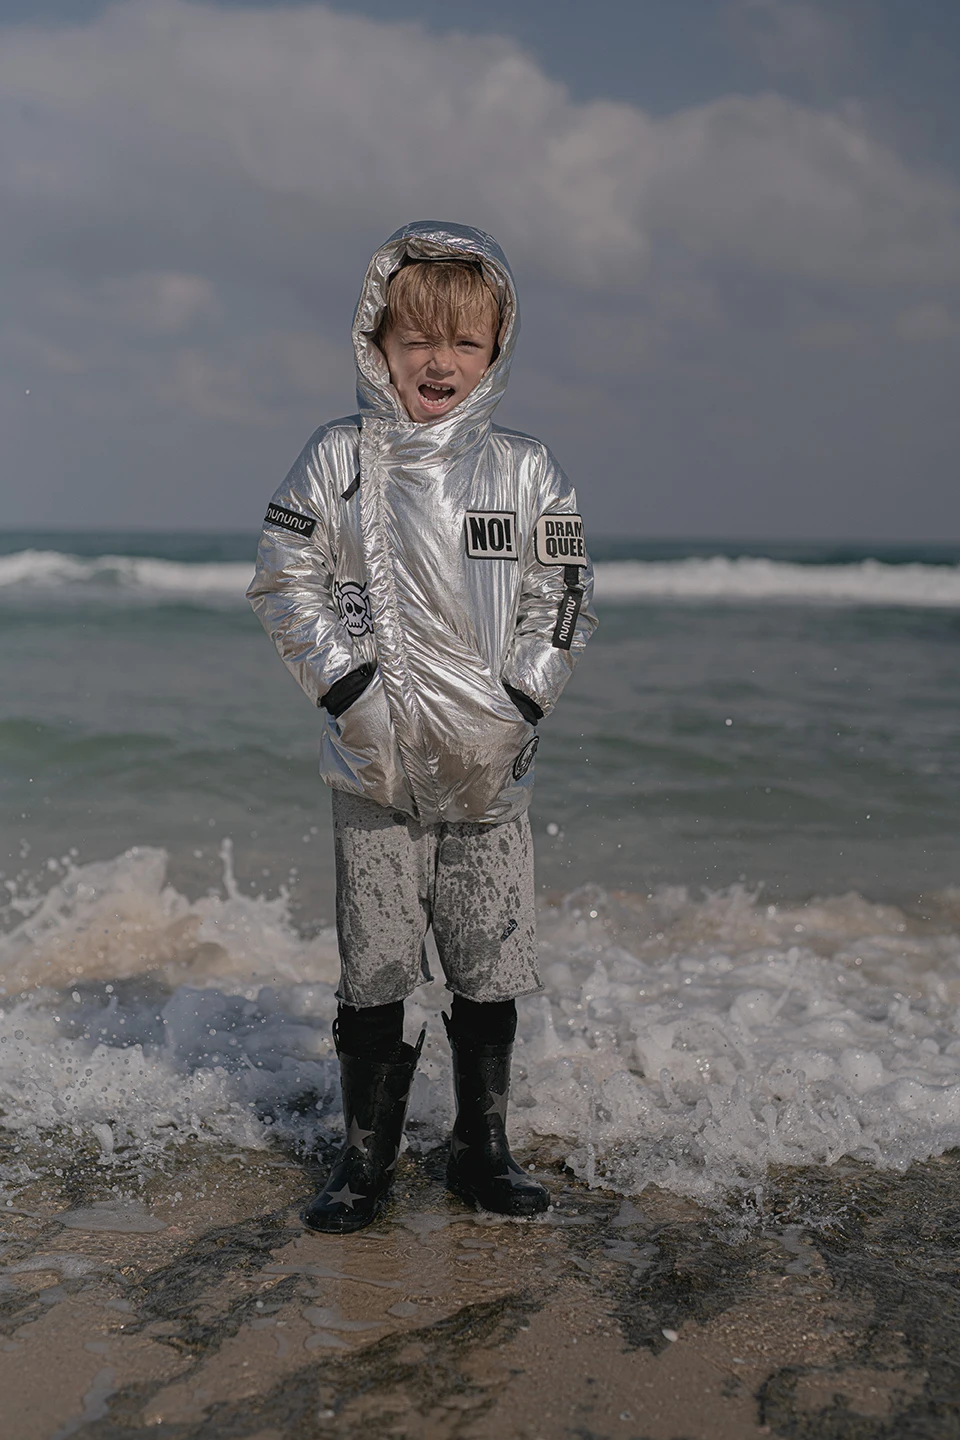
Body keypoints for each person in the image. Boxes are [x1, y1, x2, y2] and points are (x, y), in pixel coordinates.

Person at [248, 221, 597, 1233]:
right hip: (373, 766)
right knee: (377, 967)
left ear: (495, 352)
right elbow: (284, 581)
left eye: (463, 343)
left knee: (489, 962)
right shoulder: (337, 458)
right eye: (416, 341)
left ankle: (482, 1149)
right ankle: (366, 1161)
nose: (437, 362)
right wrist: (352, 695)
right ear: (377, 343)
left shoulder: (529, 473)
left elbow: (564, 596)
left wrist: (518, 705)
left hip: (493, 771)